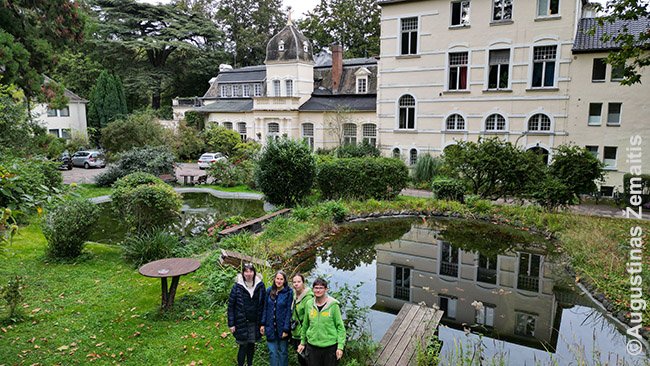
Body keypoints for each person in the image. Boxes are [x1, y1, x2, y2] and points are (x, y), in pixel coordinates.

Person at [297, 278, 346, 366]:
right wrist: (302, 343)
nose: (318, 290)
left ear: (326, 289)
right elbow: (305, 325)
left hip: (330, 347)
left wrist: (340, 347)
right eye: (316, 288)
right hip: (312, 346)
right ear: (313, 289)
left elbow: (340, 327)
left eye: (321, 288)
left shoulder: (333, 306)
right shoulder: (309, 304)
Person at [228, 263, 265, 366]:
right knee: (243, 345)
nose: (248, 274)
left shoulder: (260, 286)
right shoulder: (237, 287)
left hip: (254, 322)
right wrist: (231, 324)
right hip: (241, 321)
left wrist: (263, 322)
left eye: (251, 271)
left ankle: (250, 364)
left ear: (254, 273)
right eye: (246, 271)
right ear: (243, 273)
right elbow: (231, 306)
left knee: (251, 345)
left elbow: (263, 304)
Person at [261, 270, 293, 366]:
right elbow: (265, 308)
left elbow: (289, 311)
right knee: (272, 352)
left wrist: (286, 329)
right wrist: (262, 324)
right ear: (274, 279)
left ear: (284, 281)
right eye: (277, 278)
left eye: (281, 279)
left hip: (282, 328)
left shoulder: (289, 292)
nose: (279, 281)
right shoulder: (269, 290)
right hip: (270, 327)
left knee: (282, 352)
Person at [290, 273, 314, 366]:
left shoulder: (308, 298)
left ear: (303, 283)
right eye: (294, 282)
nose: (296, 284)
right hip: (296, 333)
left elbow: (310, 319)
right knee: (301, 359)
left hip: (304, 335)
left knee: (306, 360)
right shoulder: (294, 296)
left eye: (299, 282)